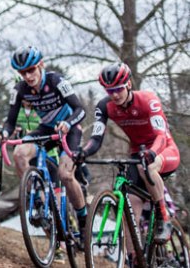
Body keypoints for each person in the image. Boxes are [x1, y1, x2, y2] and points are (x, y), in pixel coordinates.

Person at [76, 63, 181, 243]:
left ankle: (164, 218)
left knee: (145, 167)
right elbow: (96, 139)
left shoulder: (148, 99)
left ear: (128, 85)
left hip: (163, 149)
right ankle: (133, 256)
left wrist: (153, 153)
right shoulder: (104, 106)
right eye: (110, 91)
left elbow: (161, 136)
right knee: (131, 204)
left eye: (118, 89)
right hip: (137, 153)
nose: (115, 95)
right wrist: (83, 153)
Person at [0, 47, 88, 231]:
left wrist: (68, 124)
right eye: (23, 73)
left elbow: (81, 109)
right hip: (46, 128)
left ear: (41, 65)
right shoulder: (20, 89)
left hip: (68, 130)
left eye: (31, 70)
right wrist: (5, 133)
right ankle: (37, 200)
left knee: (65, 175)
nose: (28, 76)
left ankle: (83, 218)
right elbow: (10, 121)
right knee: (19, 153)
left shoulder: (57, 81)